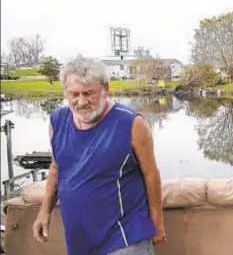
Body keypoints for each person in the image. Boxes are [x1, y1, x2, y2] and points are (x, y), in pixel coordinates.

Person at [32, 55, 166, 255]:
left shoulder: (131, 123)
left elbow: (150, 174)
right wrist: (44, 212)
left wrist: (157, 221)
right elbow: (57, 167)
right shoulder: (57, 121)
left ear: (106, 88)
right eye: (74, 94)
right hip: (78, 238)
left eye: (89, 93)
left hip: (124, 238)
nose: (81, 101)